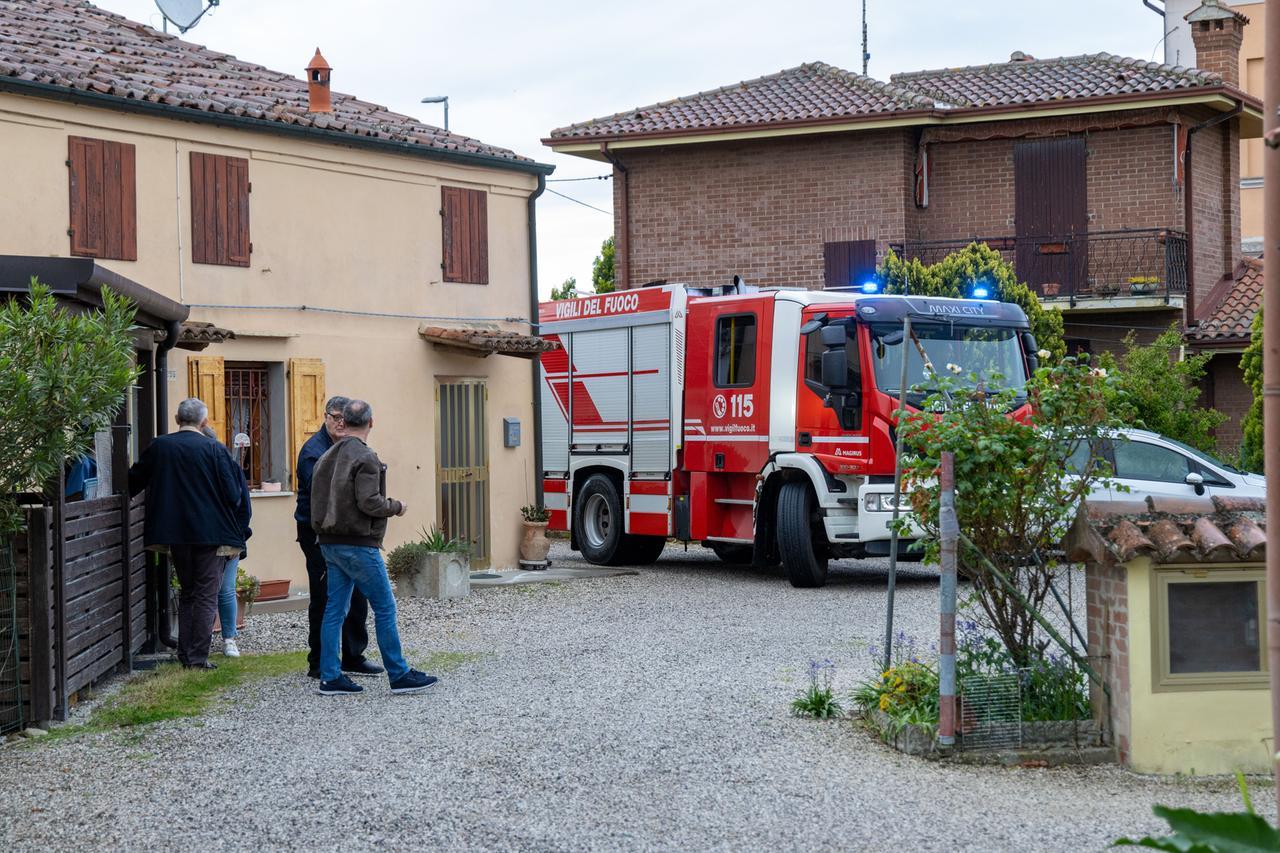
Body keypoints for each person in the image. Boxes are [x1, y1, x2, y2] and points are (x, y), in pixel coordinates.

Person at [310, 399, 436, 695]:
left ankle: (330, 676)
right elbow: (369, 501)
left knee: (334, 609)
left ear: (342, 422)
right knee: (385, 606)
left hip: (329, 542)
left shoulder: (326, 454)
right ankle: (399, 673)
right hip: (358, 544)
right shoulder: (365, 457)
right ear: (371, 423)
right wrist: (397, 507)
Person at [129, 398, 251, 670]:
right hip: (210, 533)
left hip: (174, 532)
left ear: (176, 418)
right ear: (204, 422)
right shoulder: (215, 450)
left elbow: (133, 480)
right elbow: (234, 495)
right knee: (207, 594)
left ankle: (185, 652)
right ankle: (197, 658)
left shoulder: (160, 446)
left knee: (188, 592)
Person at [295, 395, 380, 679]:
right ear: (326, 416)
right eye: (336, 417)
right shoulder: (314, 451)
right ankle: (318, 662)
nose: (341, 423)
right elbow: (326, 493)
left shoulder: (351, 448)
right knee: (326, 598)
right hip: (318, 533)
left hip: (347, 533)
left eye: (345, 418)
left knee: (356, 595)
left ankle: (353, 655)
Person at [202, 425, 246, 658]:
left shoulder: (230, 469)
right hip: (209, 538)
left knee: (225, 590)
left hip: (227, 538)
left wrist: (236, 540)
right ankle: (206, 639)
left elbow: (243, 509)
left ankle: (229, 638)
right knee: (214, 590)